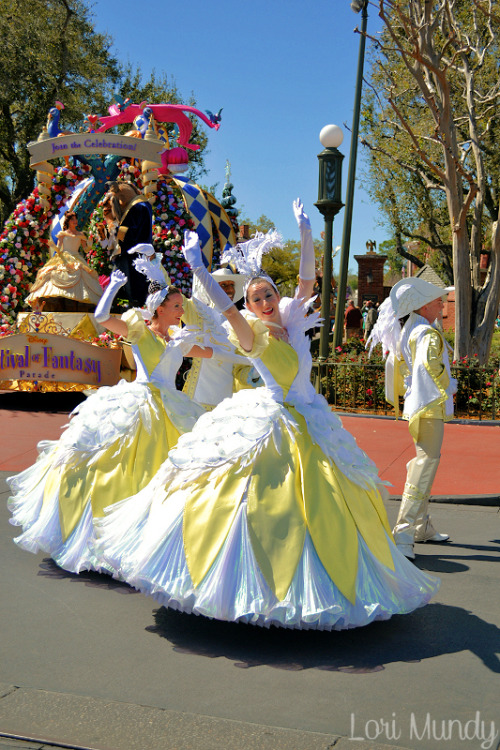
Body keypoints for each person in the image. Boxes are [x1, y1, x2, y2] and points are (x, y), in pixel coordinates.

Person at [96, 200, 439, 631]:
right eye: (255, 298)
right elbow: (225, 309)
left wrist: (306, 232)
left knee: (333, 500)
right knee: (254, 502)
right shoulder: (251, 334)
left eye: (268, 294)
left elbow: (308, 279)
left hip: (310, 417)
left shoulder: (293, 322)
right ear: (251, 304)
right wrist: (197, 268)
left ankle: (335, 576)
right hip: (274, 418)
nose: (263, 301)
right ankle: (253, 585)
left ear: (277, 296)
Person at [7, 249, 212, 574]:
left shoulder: (178, 339)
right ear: (159, 308)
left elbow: (213, 353)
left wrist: (215, 326)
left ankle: (154, 538)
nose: (180, 312)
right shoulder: (140, 331)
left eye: (182, 308)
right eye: (176, 307)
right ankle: (97, 535)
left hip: (172, 409)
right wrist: (114, 286)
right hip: (141, 405)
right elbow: (103, 318)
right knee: (117, 468)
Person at [367, 277, 456, 560]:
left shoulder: (413, 329)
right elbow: (430, 368)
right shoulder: (427, 333)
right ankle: (404, 533)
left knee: (425, 463)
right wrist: (448, 386)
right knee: (424, 464)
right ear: (424, 305)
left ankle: (420, 526)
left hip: (421, 403)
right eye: (438, 299)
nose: (442, 302)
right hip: (428, 404)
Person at [182, 264, 261, 408]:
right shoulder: (198, 313)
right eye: (224, 285)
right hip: (198, 397)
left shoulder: (243, 320)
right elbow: (172, 299)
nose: (230, 290)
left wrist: (254, 372)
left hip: (227, 402)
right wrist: (154, 263)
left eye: (232, 285)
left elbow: (241, 365)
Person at [25, 211, 103, 312]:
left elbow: (85, 250)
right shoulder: (62, 234)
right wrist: (53, 246)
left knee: (81, 273)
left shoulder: (81, 235)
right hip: (63, 257)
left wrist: (90, 244)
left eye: (75, 219)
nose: (75, 221)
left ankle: (77, 305)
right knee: (52, 274)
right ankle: (60, 305)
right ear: (68, 221)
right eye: (72, 219)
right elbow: (58, 249)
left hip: (76, 257)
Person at [100, 181, 153, 306]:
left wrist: (113, 227)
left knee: (128, 283)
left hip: (131, 255)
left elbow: (130, 233)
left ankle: (119, 306)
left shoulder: (137, 207)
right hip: (135, 254)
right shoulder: (143, 206)